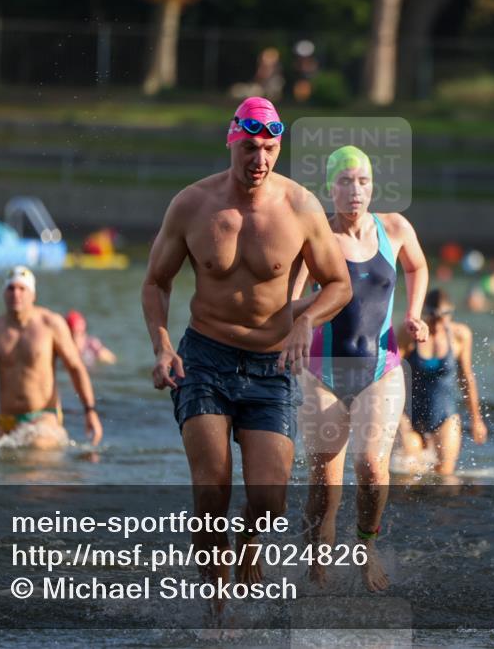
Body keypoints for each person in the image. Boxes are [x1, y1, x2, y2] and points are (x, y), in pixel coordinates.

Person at [141, 97, 351, 606]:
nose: (260, 159)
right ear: (232, 142)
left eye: (270, 148)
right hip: (204, 361)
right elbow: (156, 282)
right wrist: (163, 345)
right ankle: (218, 613)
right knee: (211, 492)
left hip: (272, 367)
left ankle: (250, 548)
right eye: (251, 147)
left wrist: (305, 321)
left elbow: (338, 284)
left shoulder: (300, 207)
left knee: (268, 500)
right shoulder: (192, 204)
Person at [291, 145, 429, 592]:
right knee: (324, 485)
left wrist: (415, 313)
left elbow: (418, 265)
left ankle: (365, 547)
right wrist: (297, 322)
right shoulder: (314, 238)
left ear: (373, 186)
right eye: (345, 181)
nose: (355, 191)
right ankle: (317, 569)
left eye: (363, 181)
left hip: (381, 367)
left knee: (371, 465)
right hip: (320, 372)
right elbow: (288, 303)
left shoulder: (394, 227)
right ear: (329, 188)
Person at [0, 266, 103, 449]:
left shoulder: (51, 324)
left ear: (33, 294)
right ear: (4, 294)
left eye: (22, 289)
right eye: (11, 288)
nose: (16, 294)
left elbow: (76, 368)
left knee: (36, 457)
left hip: (43, 419)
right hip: (6, 423)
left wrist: (89, 411)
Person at [396, 289, 487, 477]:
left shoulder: (460, 335)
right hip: (409, 416)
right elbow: (392, 373)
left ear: (450, 315)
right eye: (432, 318)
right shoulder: (407, 334)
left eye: (441, 319)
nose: (436, 324)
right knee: (408, 477)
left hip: (445, 416)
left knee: (445, 477)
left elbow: (466, 378)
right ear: (424, 314)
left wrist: (476, 419)